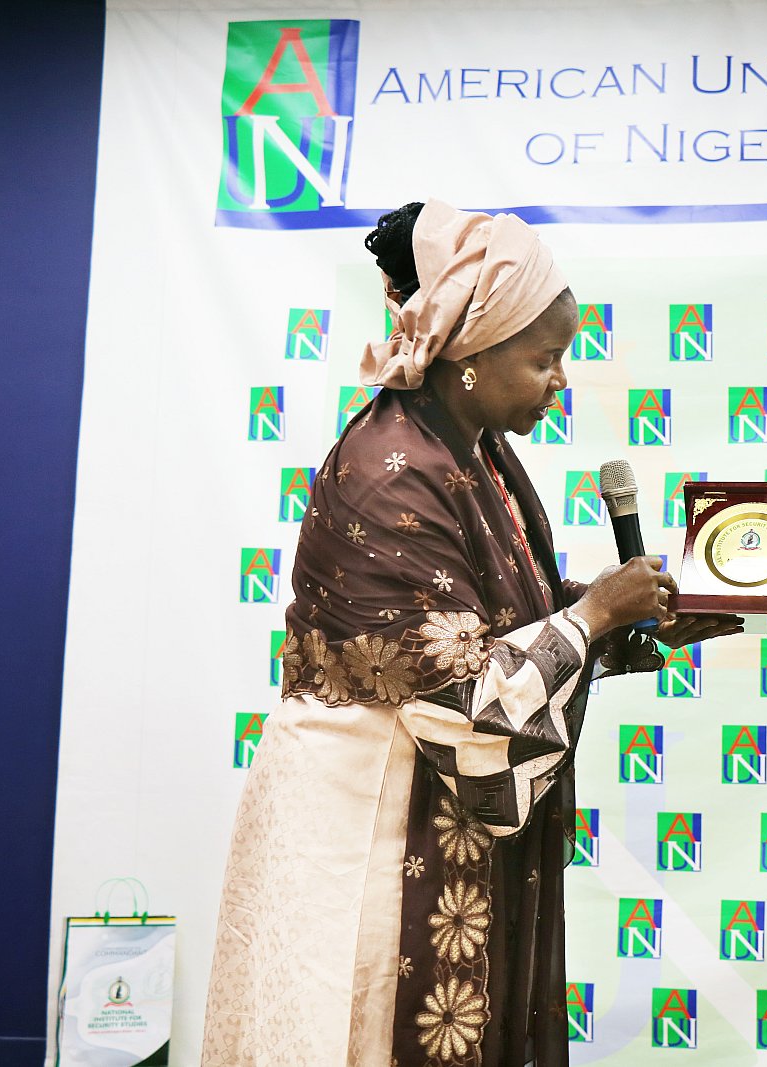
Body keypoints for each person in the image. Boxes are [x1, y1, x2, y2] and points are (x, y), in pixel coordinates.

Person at [201, 200, 739, 1067]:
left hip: (442, 819)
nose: (560, 380)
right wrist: (596, 615)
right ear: (469, 355)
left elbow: (511, 618)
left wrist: (648, 621)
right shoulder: (391, 472)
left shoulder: (470, 449)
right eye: (543, 359)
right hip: (368, 835)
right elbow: (463, 694)